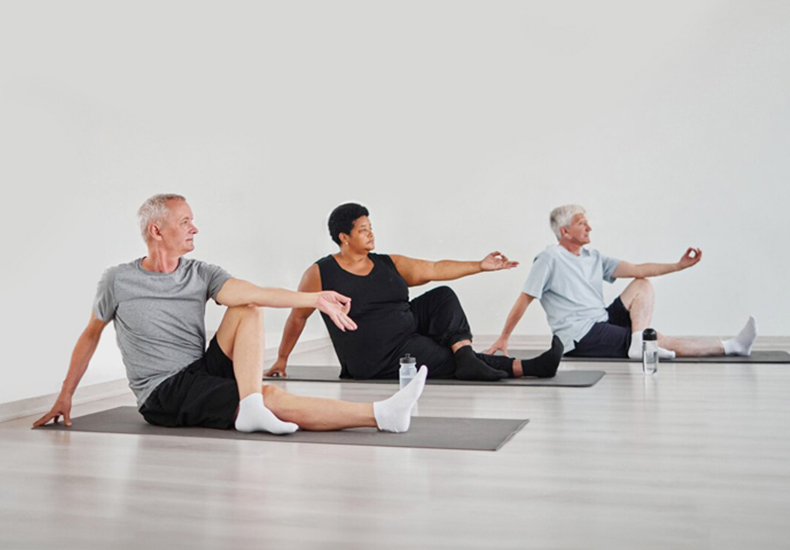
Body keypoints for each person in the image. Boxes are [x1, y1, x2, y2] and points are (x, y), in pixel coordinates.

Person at [33, 194, 426, 435]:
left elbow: (253, 293)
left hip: (201, 368)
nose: (195, 228)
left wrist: (314, 299)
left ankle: (251, 404)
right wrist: (66, 396)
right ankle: (381, 415)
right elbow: (91, 334)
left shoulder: (200, 272)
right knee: (270, 395)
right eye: (185, 222)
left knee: (247, 305)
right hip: (164, 391)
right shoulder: (117, 280)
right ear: (157, 230)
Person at [265, 203, 563, 382]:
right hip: (377, 356)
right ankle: (527, 367)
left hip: (407, 329)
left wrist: (480, 266)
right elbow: (297, 318)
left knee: (442, 295)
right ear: (344, 237)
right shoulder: (320, 273)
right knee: (447, 358)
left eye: (371, 227)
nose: (371, 232)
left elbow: (434, 268)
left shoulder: (386, 262)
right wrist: (281, 358)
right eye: (362, 229)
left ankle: (468, 354)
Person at [486, 204, 757, 360]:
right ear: (565, 231)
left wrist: (679, 265)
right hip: (579, 336)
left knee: (642, 283)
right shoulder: (548, 258)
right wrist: (504, 337)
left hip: (601, 320)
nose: (589, 227)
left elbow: (639, 268)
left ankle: (638, 342)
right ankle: (731, 347)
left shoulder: (593, 257)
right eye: (582, 223)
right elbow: (525, 298)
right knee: (658, 339)